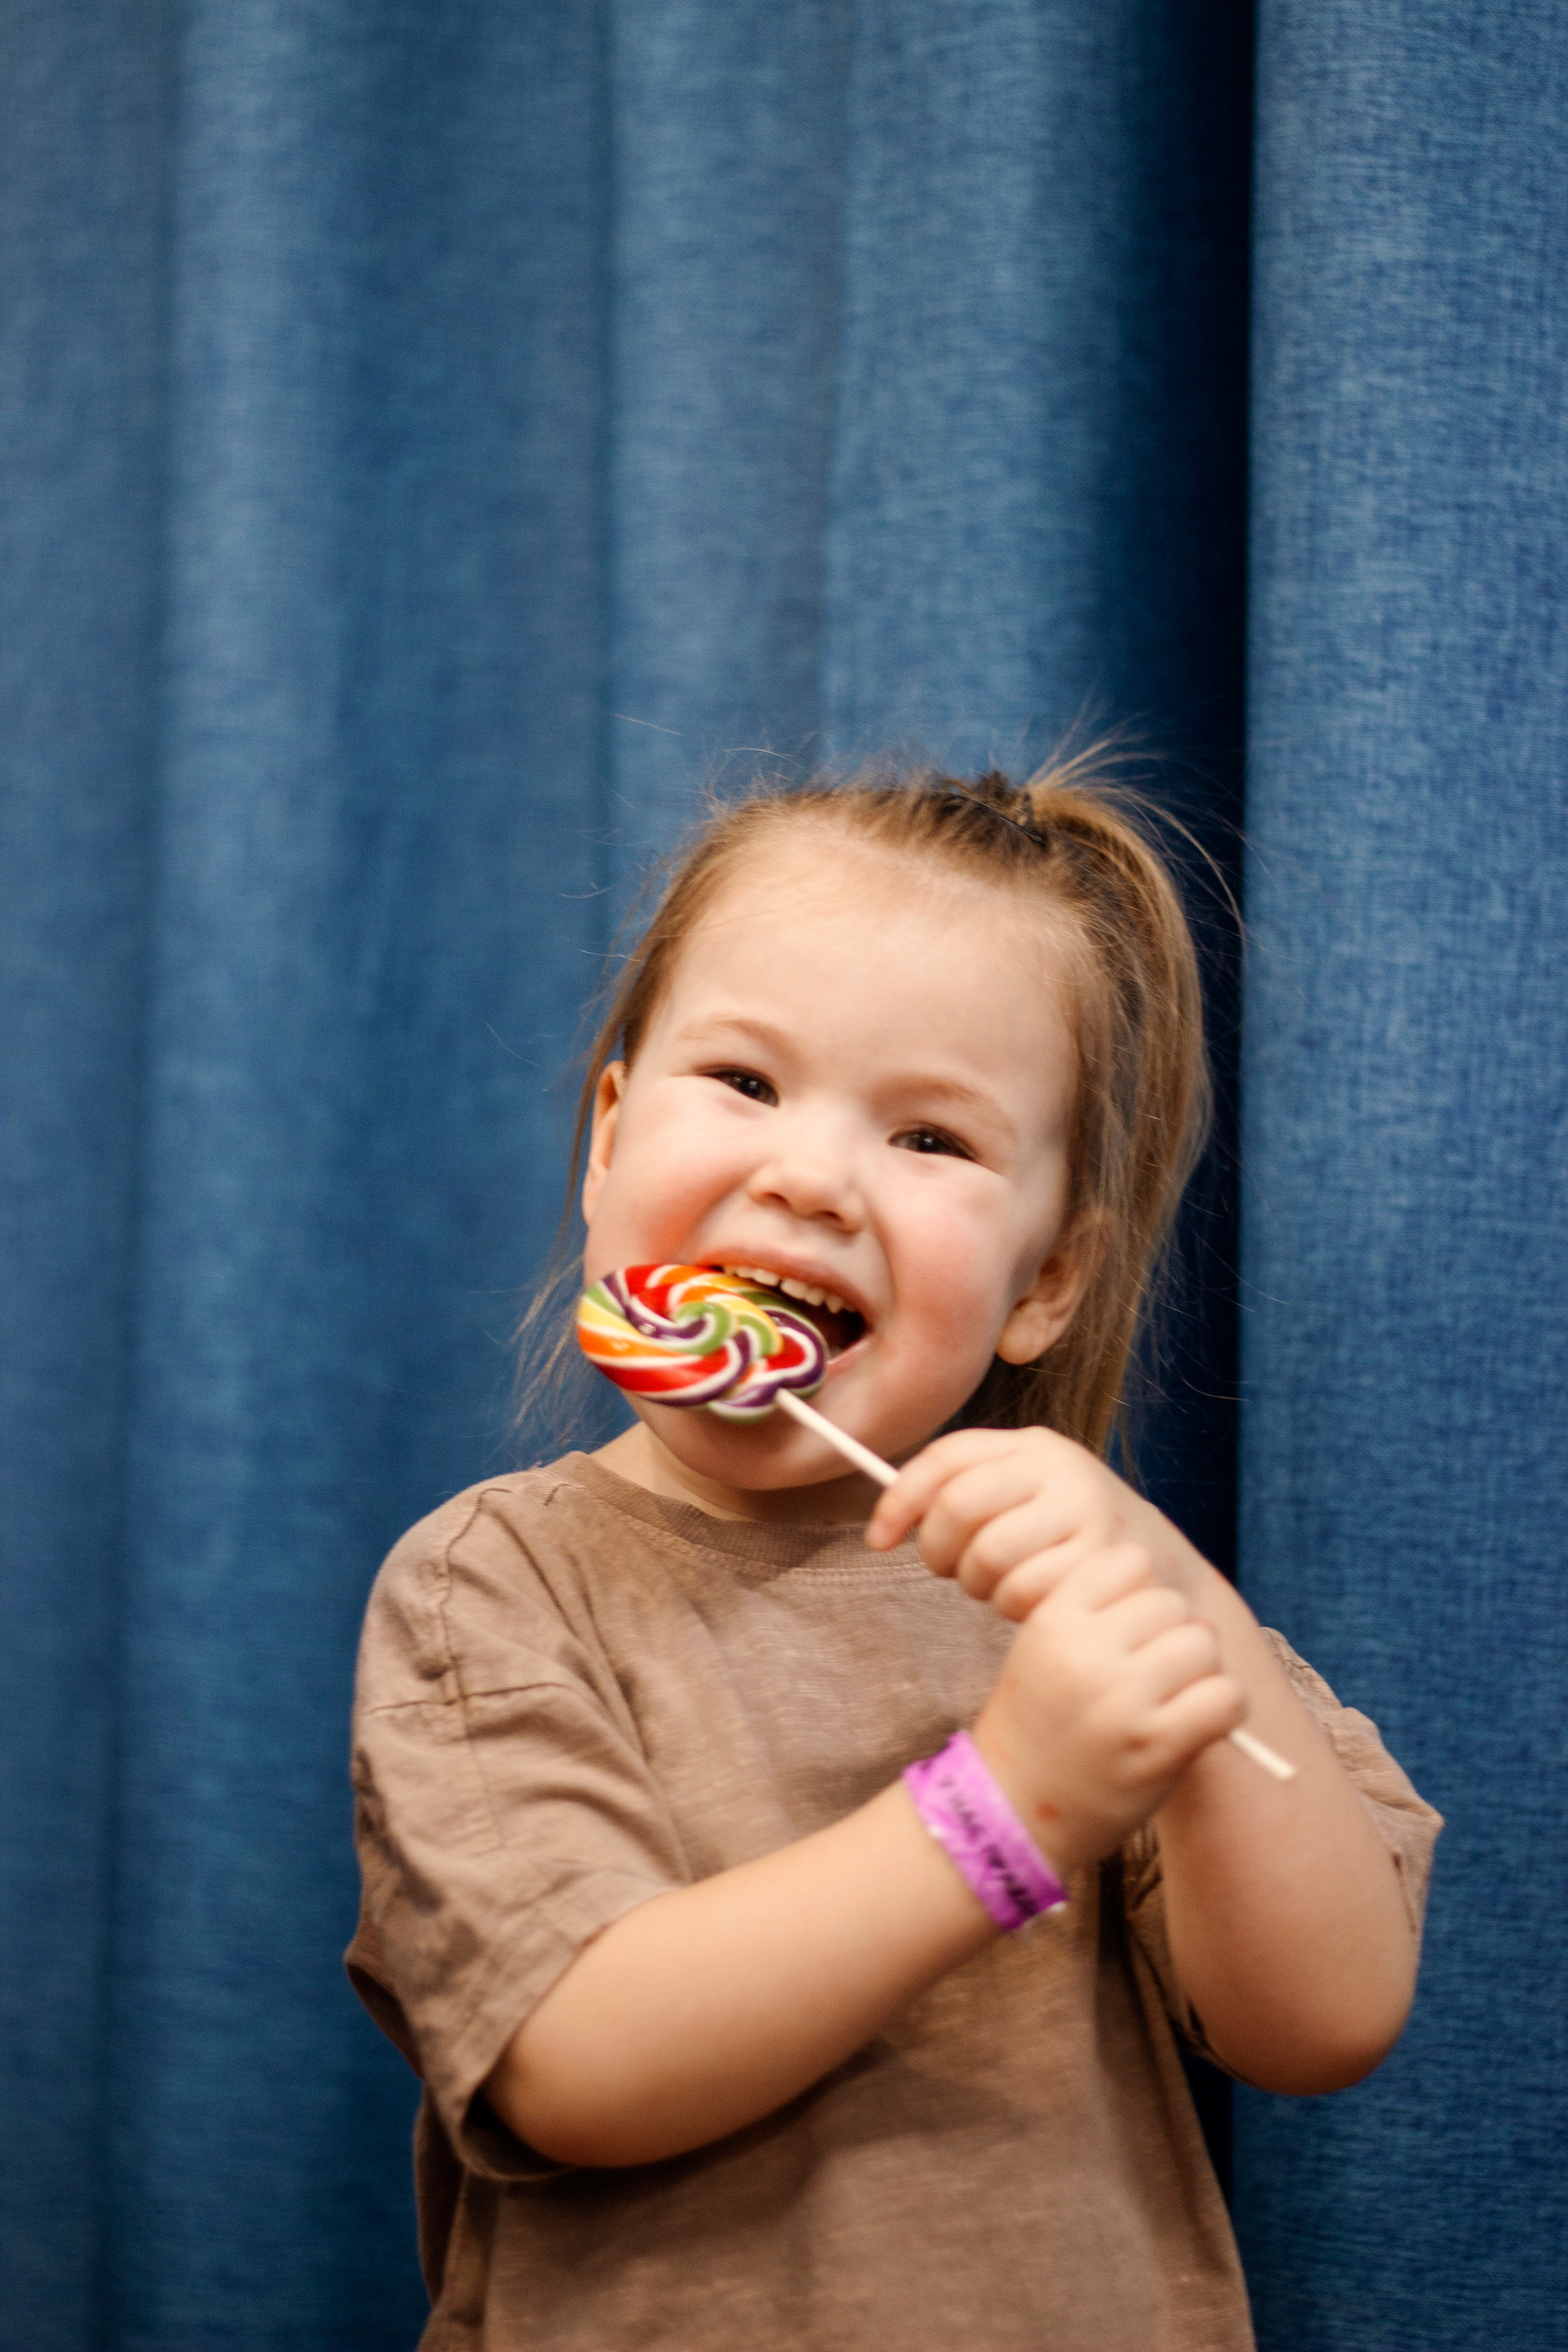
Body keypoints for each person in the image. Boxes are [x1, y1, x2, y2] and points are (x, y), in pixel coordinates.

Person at [347, 758, 1441, 2352]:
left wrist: (1180, 1605)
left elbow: (1326, 2020)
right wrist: (1006, 1814)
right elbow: (571, 2063)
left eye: (930, 1137)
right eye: (742, 1080)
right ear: (606, 1140)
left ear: (1044, 1284)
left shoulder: (1081, 1602)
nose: (807, 1175)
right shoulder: (495, 1586)